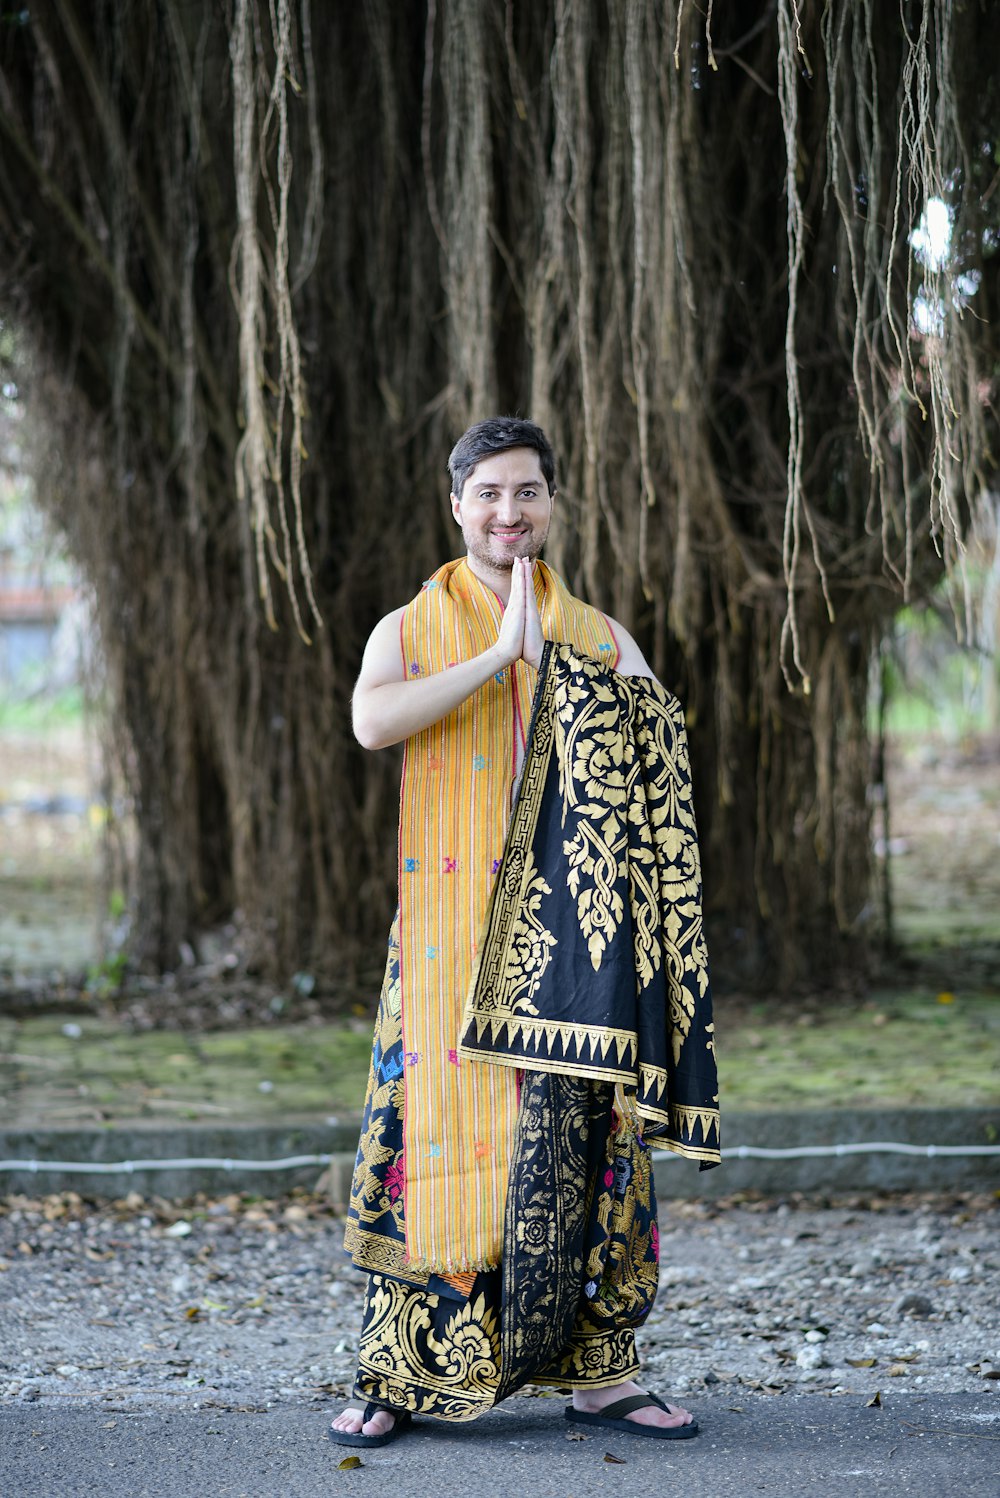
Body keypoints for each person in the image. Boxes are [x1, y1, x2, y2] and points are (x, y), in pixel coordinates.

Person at [330, 417, 718, 1449]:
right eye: (490, 492)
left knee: (590, 1149)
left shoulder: (595, 631)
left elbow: (656, 760)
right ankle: (399, 1375)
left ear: (552, 506)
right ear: (456, 504)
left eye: (529, 492)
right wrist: (502, 654)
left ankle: (600, 1370)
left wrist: (573, 677)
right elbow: (373, 723)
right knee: (424, 1143)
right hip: (446, 941)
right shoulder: (407, 629)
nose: (510, 511)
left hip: (570, 954)